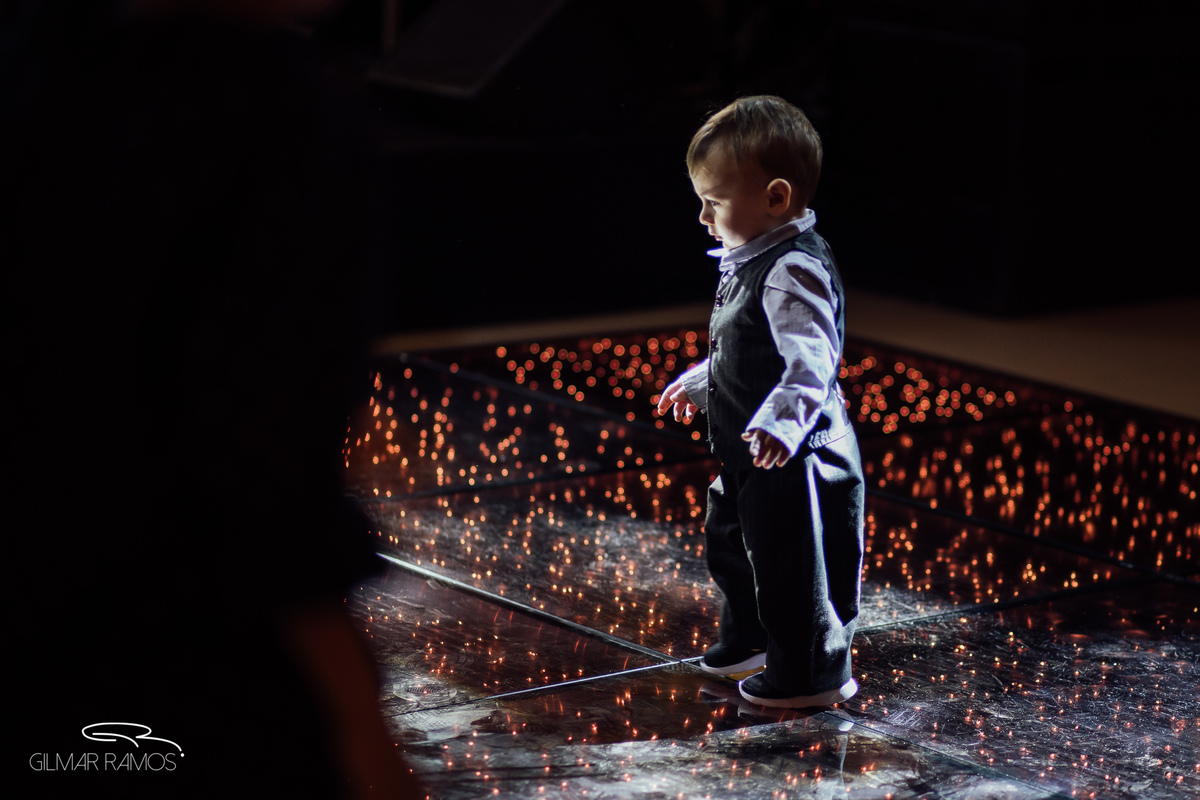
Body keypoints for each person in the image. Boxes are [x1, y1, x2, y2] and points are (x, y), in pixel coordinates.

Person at [656, 95, 865, 709]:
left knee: (792, 562)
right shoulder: (754, 258)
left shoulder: (790, 267)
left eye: (713, 202)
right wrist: (703, 380)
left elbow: (810, 361)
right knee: (733, 541)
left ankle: (809, 674)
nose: (702, 217)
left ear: (776, 198)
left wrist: (783, 424)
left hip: (793, 453)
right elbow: (749, 347)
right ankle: (749, 638)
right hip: (752, 449)